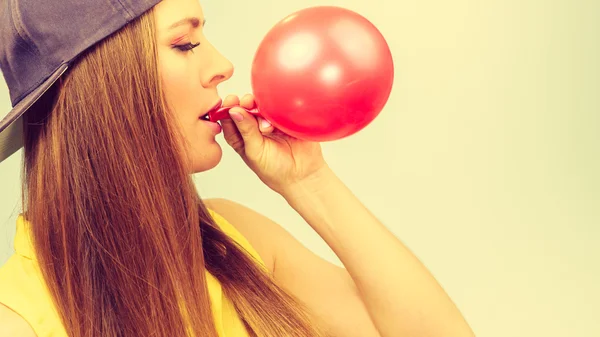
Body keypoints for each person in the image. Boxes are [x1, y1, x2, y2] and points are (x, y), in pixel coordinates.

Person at [0, 0, 476, 336]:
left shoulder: (236, 241)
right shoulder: (17, 320)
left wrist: (308, 182)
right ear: (102, 87)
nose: (223, 65)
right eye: (185, 44)